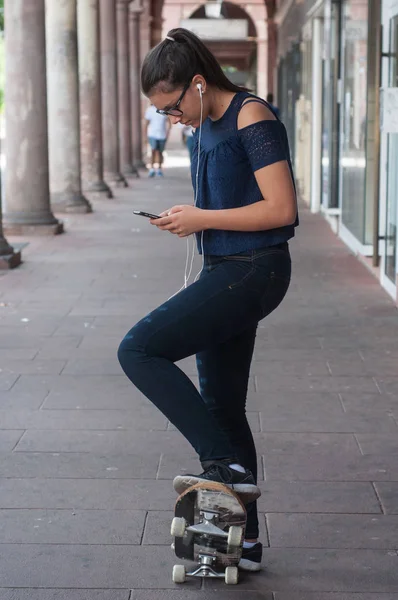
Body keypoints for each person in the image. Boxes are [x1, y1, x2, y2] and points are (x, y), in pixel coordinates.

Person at [118, 28, 298, 572]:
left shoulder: (251, 116)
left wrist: (203, 218)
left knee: (139, 349)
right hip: (228, 267)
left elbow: (281, 209)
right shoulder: (208, 124)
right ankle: (244, 543)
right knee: (221, 407)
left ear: (198, 83)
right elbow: (230, 197)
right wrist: (188, 216)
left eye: (174, 107)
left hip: (255, 270)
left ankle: (222, 468)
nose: (173, 120)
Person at [145, 103, 171, 177]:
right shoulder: (150, 110)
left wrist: (167, 133)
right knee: (153, 151)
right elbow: (146, 123)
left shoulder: (163, 110)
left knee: (160, 152)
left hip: (162, 135)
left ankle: (159, 169)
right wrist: (145, 136)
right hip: (152, 134)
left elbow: (169, 122)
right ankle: (152, 169)